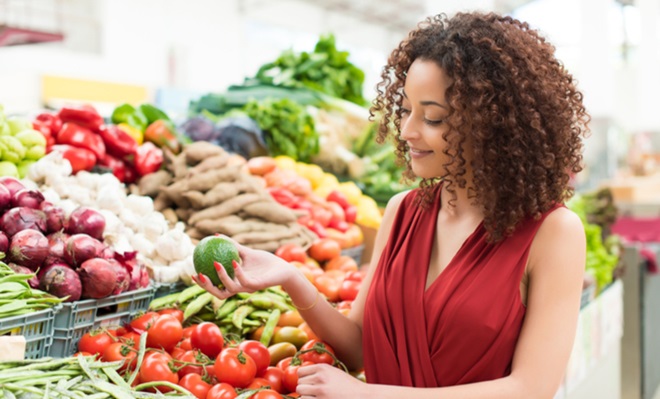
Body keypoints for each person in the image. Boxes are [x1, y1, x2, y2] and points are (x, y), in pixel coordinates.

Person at [194, 11, 589, 399]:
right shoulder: (403, 211)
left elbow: (530, 389)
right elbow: (358, 349)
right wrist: (291, 278)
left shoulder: (552, 232)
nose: (406, 131)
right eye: (404, 110)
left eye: (432, 118)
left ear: (491, 123)